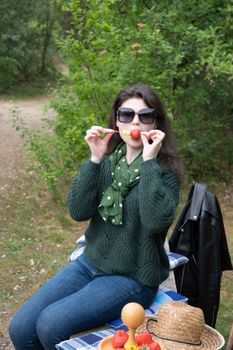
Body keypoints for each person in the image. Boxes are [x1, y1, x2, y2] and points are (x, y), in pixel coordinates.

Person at [9, 84, 184, 350]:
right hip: (90, 262)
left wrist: (149, 162)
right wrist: (94, 158)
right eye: (126, 114)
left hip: (132, 277)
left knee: (50, 325)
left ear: (155, 124)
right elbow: (78, 211)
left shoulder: (164, 174)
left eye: (145, 116)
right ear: (116, 120)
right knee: (20, 329)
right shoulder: (108, 163)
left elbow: (155, 222)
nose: (135, 121)